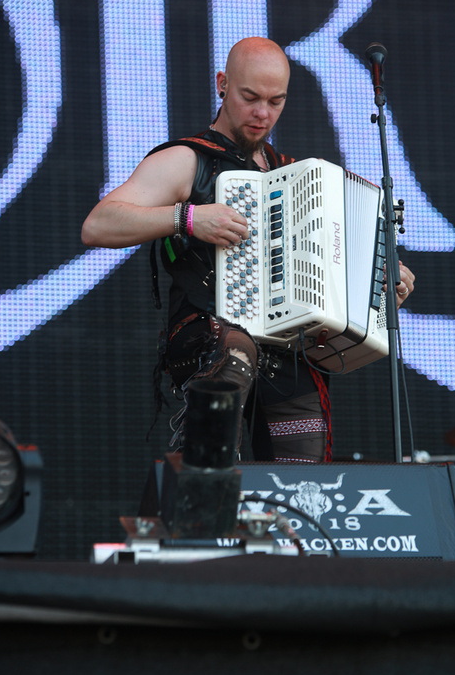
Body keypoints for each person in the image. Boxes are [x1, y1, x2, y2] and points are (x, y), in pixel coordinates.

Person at [82, 37, 415, 462]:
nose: (263, 114)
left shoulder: (295, 176)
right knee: (235, 356)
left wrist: (381, 283)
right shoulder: (188, 160)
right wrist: (187, 218)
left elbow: (331, 275)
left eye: (276, 101)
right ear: (222, 84)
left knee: (304, 481)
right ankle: (204, 498)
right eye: (250, 97)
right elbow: (98, 224)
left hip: (287, 347)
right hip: (210, 332)